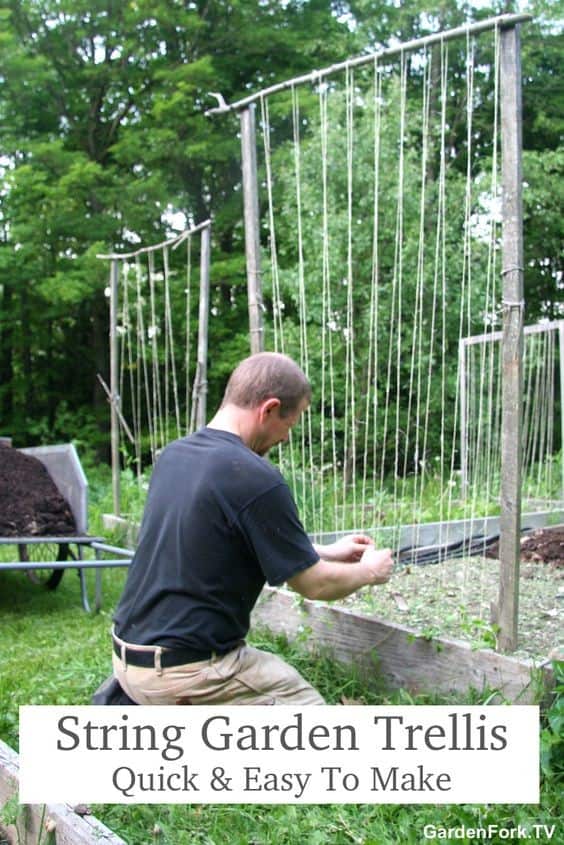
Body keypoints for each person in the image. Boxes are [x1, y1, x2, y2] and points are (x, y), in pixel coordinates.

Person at [111, 352, 393, 705]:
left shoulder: (175, 456)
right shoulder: (254, 477)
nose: (287, 438)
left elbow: (217, 538)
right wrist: (370, 571)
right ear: (269, 409)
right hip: (183, 672)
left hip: (128, 659)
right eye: (290, 424)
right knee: (312, 716)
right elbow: (314, 584)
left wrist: (323, 551)